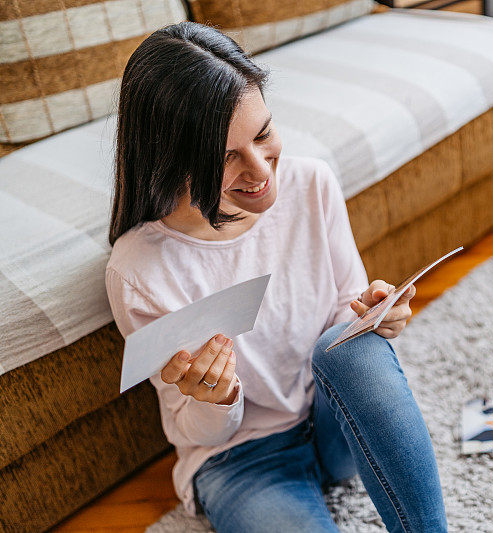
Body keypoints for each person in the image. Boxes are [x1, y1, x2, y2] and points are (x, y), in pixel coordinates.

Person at [104, 21, 447, 533]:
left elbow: (341, 320)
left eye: (263, 135)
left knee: (354, 348)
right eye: (228, 159)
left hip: (333, 422)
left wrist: (370, 315)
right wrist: (215, 397)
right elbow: (193, 430)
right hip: (241, 461)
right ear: (174, 163)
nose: (262, 170)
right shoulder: (139, 270)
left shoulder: (311, 184)